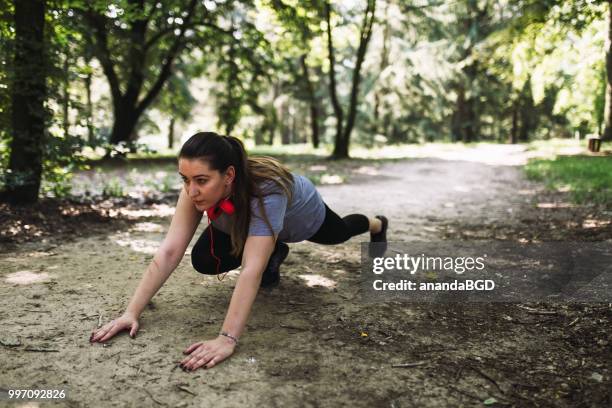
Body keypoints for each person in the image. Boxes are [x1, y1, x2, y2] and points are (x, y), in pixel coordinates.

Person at [89, 132, 389, 371]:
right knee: (205, 258)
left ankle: (376, 224)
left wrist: (226, 339)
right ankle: (273, 248)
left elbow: (250, 270)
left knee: (339, 234)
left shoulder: (267, 191)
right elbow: (170, 250)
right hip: (249, 221)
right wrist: (131, 312)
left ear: (228, 175)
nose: (191, 190)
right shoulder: (196, 188)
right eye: (186, 180)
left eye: (201, 181)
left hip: (300, 218)